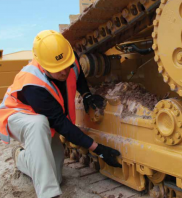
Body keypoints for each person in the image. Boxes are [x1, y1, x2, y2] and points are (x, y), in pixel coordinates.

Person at [0, 30, 122, 198]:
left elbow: (77, 75)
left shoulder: (68, 58)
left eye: (67, 65)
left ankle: (21, 157)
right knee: (38, 123)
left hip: (43, 121)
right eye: (58, 70)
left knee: (54, 176)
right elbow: (60, 123)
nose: (65, 72)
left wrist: (86, 94)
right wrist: (98, 149)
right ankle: (49, 195)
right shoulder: (33, 84)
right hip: (16, 115)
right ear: (43, 66)